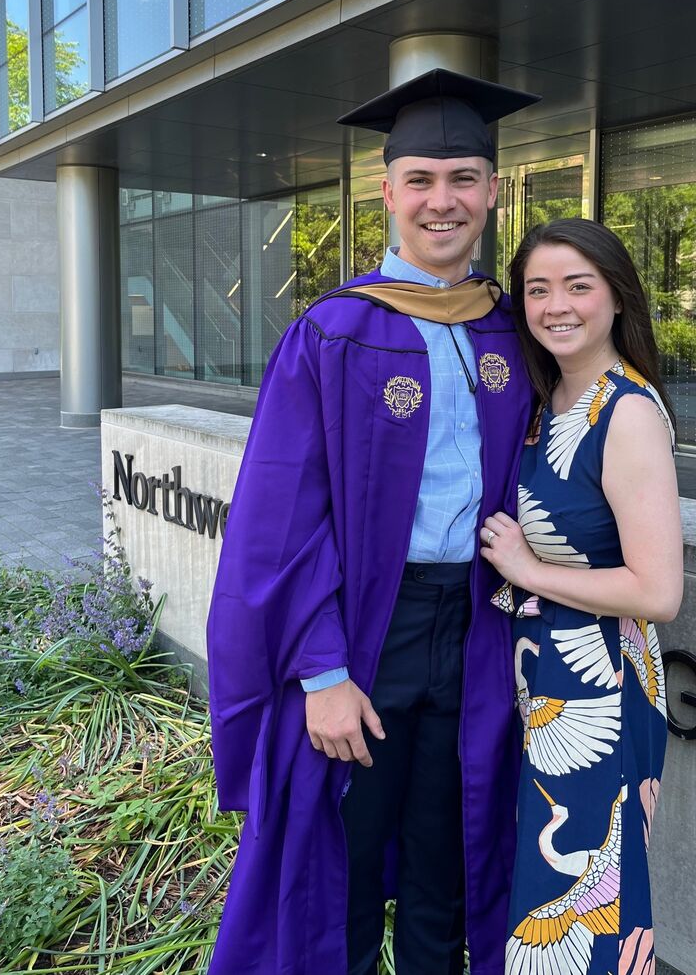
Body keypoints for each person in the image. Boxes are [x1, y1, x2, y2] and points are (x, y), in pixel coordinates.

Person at [207, 67, 540, 975]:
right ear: (387, 193)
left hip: (476, 628)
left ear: (493, 192)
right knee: (341, 868)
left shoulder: (514, 332)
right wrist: (319, 670)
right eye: (422, 182)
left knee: (451, 860)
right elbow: (281, 518)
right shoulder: (334, 331)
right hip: (362, 632)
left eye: (464, 179)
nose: (444, 202)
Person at [479, 218, 683, 975]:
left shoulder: (624, 412)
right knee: (538, 890)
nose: (556, 305)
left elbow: (657, 590)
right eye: (538, 289)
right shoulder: (547, 399)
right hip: (544, 682)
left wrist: (528, 571)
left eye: (578, 286)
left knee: (582, 913)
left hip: (602, 688)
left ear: (617, 297)